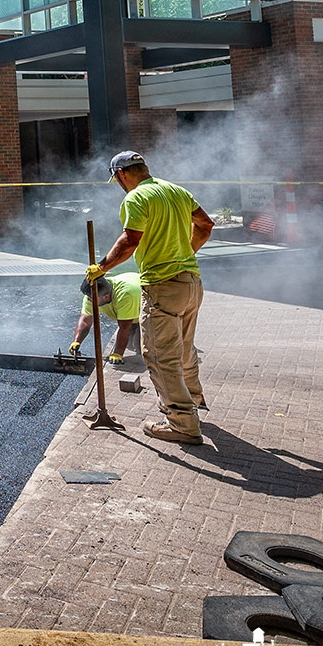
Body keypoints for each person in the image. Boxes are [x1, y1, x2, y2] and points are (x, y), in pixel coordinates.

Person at [89, 151, 214, 443]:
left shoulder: (136, 198)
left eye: (117, 179)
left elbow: (131, 241)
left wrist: (102, 266)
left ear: (121, 174)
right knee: (183, 348)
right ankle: (192, 400)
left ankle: (183, 423)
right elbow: (206, 225)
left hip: (162, 285)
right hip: (192, 283)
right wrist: (185, 253)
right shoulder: (177, 191)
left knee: (159, 356)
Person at [67, 270, 141, 364]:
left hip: (152, 307)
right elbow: (86, 320)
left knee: (146, 348)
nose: (88, 300)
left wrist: (117, 354)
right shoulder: (93, 294)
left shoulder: (124, 295)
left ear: (106, 296)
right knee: (130, 345)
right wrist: (76, 341)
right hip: (132, 311)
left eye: (91, 299)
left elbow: (125, 328)